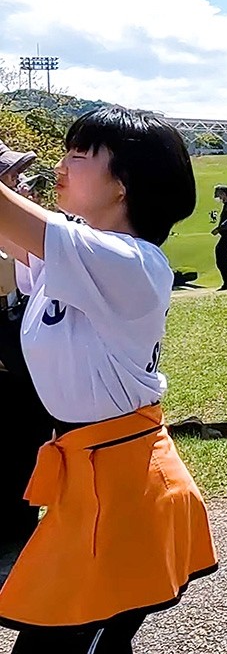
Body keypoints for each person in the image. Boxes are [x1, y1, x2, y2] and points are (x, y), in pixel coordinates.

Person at [0, 107, 216, 651]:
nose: (60, 166)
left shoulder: (127, 259)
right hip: (99, 482)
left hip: (124, 493)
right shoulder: (81, 250)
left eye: (79, 155)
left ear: (123, 185)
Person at [0, 142, 53, 552]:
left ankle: (20, 534)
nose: (20, 184)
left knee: (26, 442)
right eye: (10, 176)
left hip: (20, 358)